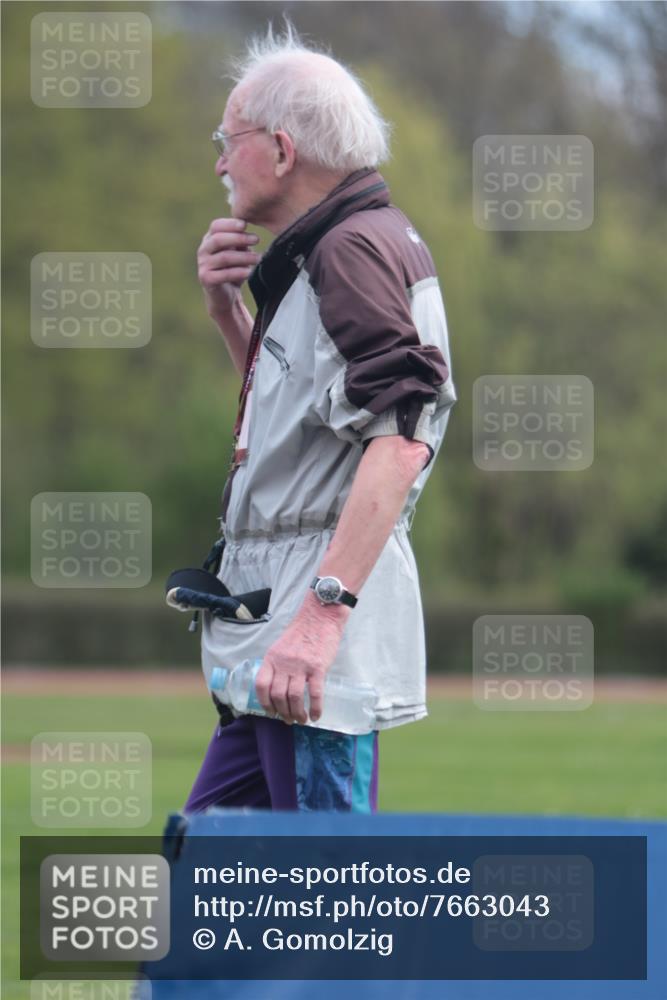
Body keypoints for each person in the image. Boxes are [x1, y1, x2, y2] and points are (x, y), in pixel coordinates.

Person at [184, 23, 456, 815]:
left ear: (279, 146)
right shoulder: (343, 243)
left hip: (304, 629)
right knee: (209, 881)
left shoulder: (348, 251)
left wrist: (317, 621)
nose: (218, 161)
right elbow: (304, 416)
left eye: (224, 139)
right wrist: (226, 311)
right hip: (274, 623)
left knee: (326, 903)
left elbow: (400, 437)